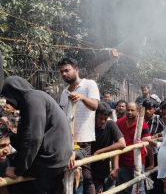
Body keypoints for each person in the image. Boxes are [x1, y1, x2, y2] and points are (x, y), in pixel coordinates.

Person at [1, 76, 73, 194]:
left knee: (10, 179)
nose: (8, 102)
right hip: (58, 160)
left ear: (14, 91)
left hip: (49, 162)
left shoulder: (32, 98)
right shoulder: (34, 99)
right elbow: (24, 137)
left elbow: (32, 138)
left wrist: (18, 170)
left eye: (8, 97)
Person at [58, 57, 100, 194]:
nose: (64, 74)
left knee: (86, 176)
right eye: (62, 72)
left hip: (84, 140)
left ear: (76, 69)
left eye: (67, 70)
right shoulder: (64, 93)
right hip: (67, 141)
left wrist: (81, 98)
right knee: (68, 174)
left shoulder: (89, 84)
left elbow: (94, 105)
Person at [116, 102, 151, 194]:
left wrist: (142, 142)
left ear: (137, 111)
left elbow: (148, 139)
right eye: (128, 110)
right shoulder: (119, 122)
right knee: (125, 188)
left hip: (137, 161)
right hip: (122, 161)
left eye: (132, 110)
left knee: (139, 188)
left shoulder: (142, 123)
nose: (130, 112)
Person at [91, 102, 126, 193]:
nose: (103, 121)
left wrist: (100, 151)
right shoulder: (89, 125)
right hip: (89, 170)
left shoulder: (110, 125)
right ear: (95, 115)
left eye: (105, 119)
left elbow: (122, 144)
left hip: (104, 170)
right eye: (100, 118)